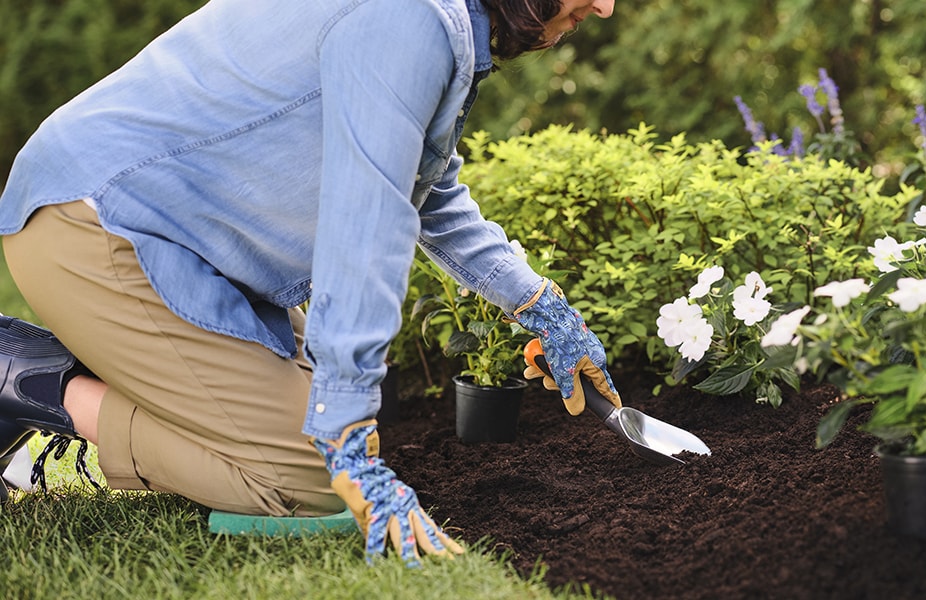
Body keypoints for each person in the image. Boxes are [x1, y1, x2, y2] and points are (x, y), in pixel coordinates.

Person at [0, 0, 621, 566]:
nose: (605, 6)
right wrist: (348, 437)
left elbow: (429, 196)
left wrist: (543, 309)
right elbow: (365, 231)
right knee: (312, 480)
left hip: (180, 236)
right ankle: (34, 380)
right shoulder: (407, 20)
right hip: (98, 226)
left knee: (311, 430)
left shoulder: (433, 20)